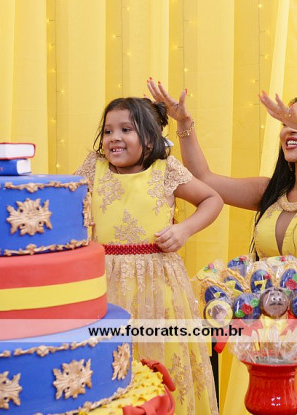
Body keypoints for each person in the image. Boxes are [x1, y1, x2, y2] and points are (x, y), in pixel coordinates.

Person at [147, 79, 297, 414]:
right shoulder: (270, 193)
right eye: (285, 123)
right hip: (277, 356)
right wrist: (184, 123)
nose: (289, 129)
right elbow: (204, 180)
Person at [75, 96, 222, 415]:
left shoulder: (165, 169)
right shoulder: (93, 168)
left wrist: (184, 230)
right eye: (108, 131)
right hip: (104, 283)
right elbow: (66, 201)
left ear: (150, 139)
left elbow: (212, 199)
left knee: (162, 355)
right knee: (112, 363)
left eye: (125, 130)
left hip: (159, 284)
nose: (114, 138)